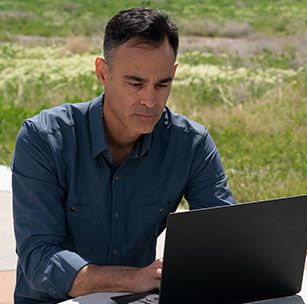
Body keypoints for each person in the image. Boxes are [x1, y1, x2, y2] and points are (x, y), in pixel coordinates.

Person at [11, 8, 235, 303]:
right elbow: (40, 259)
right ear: (103, 73)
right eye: (135, 83)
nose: (150, 100)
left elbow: (222, 241)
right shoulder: (43, 139)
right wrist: (134, 278)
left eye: (163, 84)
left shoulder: (191, 144)